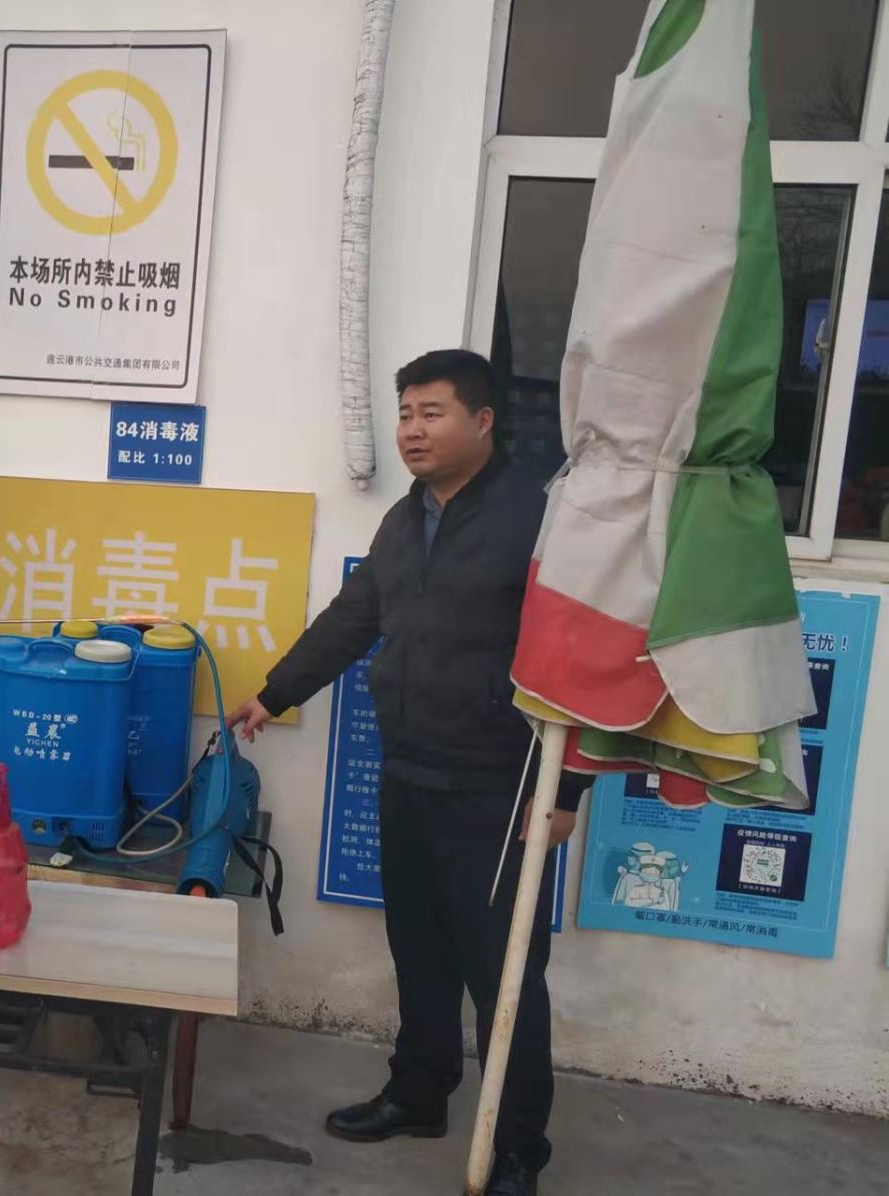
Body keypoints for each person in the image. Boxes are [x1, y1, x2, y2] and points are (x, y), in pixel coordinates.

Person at [229, 349, 583, 1196]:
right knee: (419, 952)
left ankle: (517, 1147)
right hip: (409, 772)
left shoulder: (538, 520)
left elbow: (578, 661)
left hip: (498, 787)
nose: (412, 432)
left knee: (503, 974)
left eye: (432, 413)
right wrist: (275, 693)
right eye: (405, 415)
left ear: (483, 421)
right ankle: (420, 1093)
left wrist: (568, 790)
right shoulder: (405, 519)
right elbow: (352, 620)